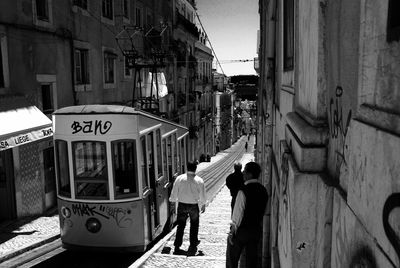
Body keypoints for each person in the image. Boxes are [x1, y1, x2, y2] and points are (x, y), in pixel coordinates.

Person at [226, 162, 268, 268]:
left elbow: (237, 213)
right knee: (252, 261)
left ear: (250, 174)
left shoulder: (243, 191)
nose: (243, 173)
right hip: (256, 231)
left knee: (232, 257)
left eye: (245, 171)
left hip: (242, 231)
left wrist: (232, 232)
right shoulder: (264, 190)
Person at [169, 161, 207, 256]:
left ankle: (177, 245)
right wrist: (203, 204)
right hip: (193, 206)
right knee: (194, 226)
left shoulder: (179, 178)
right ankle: (193, 245)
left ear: (187, 168)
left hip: (182, 205)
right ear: (195, 168)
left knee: (180, 226)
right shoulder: (199, 180)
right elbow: (202, 194)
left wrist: (173, 201)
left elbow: (174, 192)